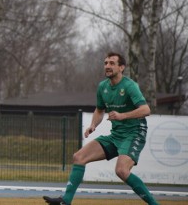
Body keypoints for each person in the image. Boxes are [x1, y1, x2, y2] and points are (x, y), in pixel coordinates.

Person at [43, 53, 159, 205]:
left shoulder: (130, 86)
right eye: (105, 63)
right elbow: (99, 110)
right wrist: (93, 125)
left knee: (122, 171)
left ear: (121, 67)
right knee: (79, 157)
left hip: (134, 134)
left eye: (112, 63)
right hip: (116, 135)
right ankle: (65, 201)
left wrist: (122, 116)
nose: (107, 66)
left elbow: (146, 110)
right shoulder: (102, 87)